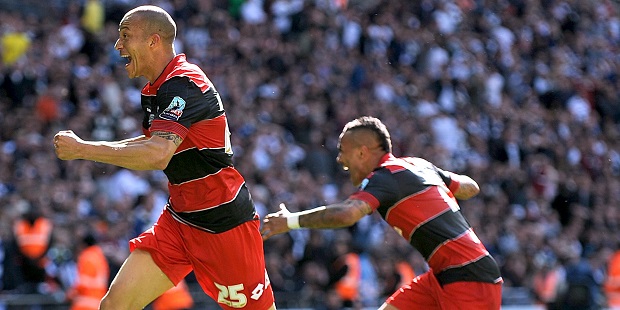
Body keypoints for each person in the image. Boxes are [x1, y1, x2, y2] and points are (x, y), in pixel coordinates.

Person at [53, 5, 275, 310]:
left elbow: (157, 154)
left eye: (126, 36)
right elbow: (152, 142)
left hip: (223, 224)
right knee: (114, 305)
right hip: (179, 220)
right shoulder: (156, 88)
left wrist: (83, 149)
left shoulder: (183, 84)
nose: (118, 45)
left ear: (153, 41)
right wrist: (88, 147)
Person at [261, 116, 503, 309]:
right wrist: (440, 186)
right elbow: (471, 187)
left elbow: (347, 214)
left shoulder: (385, 177)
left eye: (343, 150)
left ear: (362, 152)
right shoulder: (418, 165)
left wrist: (290, 221)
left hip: (470, 279)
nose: (339, 159)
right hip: (443, 275)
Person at [66, 233, 109, 310]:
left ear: (83, 244)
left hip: (85, 302)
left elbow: (83, 282)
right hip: (98, 302)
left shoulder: (87, 256)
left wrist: (71, 294)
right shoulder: (100, 257)